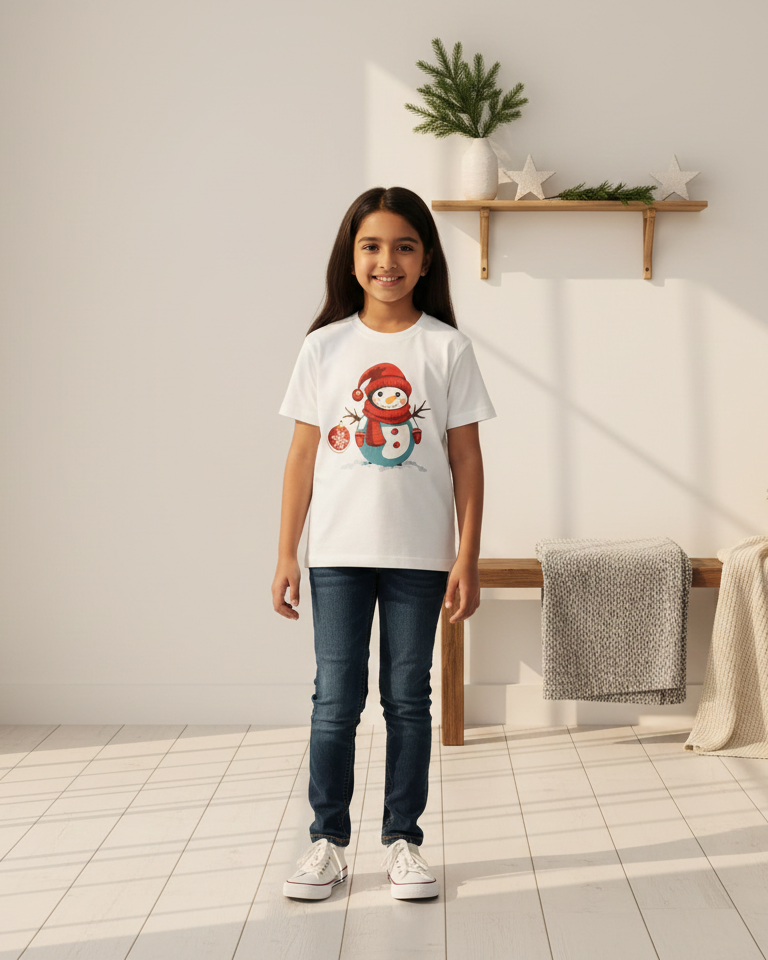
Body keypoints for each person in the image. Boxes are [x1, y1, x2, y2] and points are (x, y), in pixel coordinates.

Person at [272, 185, 496, 901]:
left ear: (426, 259)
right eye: (371, 245)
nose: (387, 260)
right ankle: (327, 843)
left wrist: (468, 554)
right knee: (335, 698)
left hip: (421, 555)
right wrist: (286, 552)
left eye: (404, 246)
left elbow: (466, 459)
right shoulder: (324, 346)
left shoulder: (446, 347)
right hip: (336, 553)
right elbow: (302, 457)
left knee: (408, 697)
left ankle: (403, 839)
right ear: (352, 256)